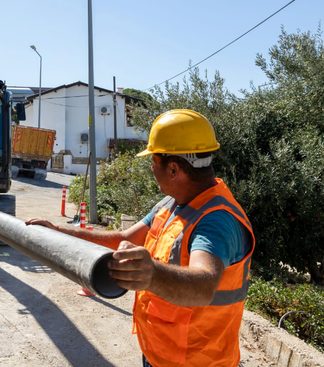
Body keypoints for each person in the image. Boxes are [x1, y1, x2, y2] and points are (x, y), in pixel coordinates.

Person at [26, 109, 255, 367]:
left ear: (173, 169)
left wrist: (152, 274)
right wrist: (60, 232)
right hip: (158, 355)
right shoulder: (171, 204)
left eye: (154, 161)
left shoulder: (216, 220)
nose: (150, 167)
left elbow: (203, 285)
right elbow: (125, 238)